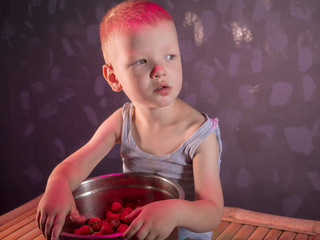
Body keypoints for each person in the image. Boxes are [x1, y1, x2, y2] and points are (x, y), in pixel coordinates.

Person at [36, 0, 224, 239]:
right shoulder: (122, 122)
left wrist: (176, 212)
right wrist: (58, 184)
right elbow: (74, 166)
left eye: (170, 56)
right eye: (142, 61)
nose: (159, 70)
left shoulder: (198, 134)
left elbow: (212, 212)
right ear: (114, 77)